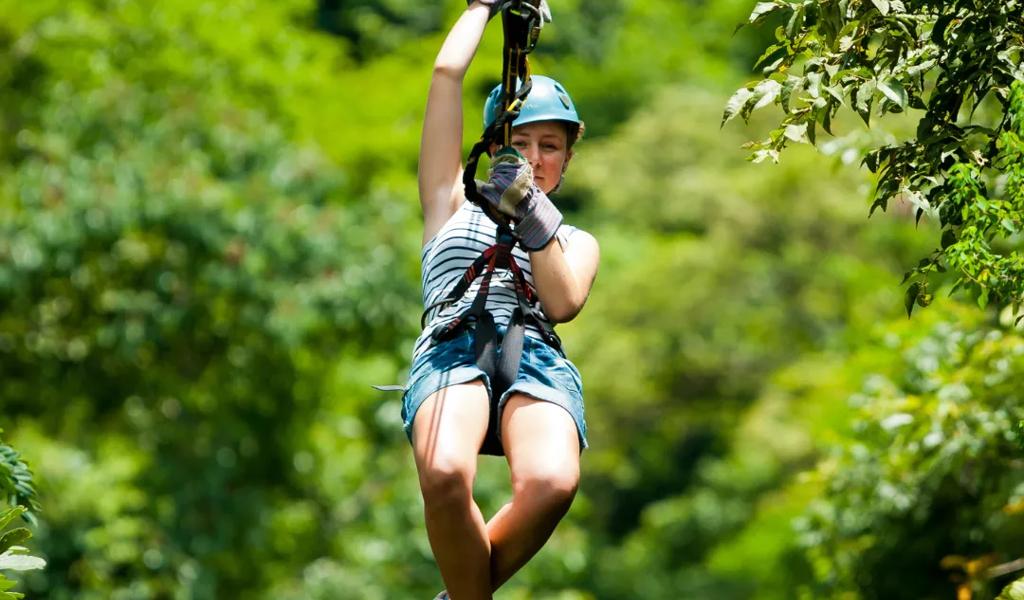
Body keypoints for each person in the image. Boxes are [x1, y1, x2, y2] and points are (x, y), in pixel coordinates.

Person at [402, 1, 599, 598]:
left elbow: (563, 302)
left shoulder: (574, 239)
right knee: (443, 473)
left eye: (551, 146)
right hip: (452, 346)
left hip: (534, 354)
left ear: (566, 160)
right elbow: (445, 77)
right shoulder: (449, 204)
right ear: (493, 147)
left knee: (552, 483)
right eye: (522, 143)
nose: (536, 159)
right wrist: (483, 8)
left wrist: (532, 218)